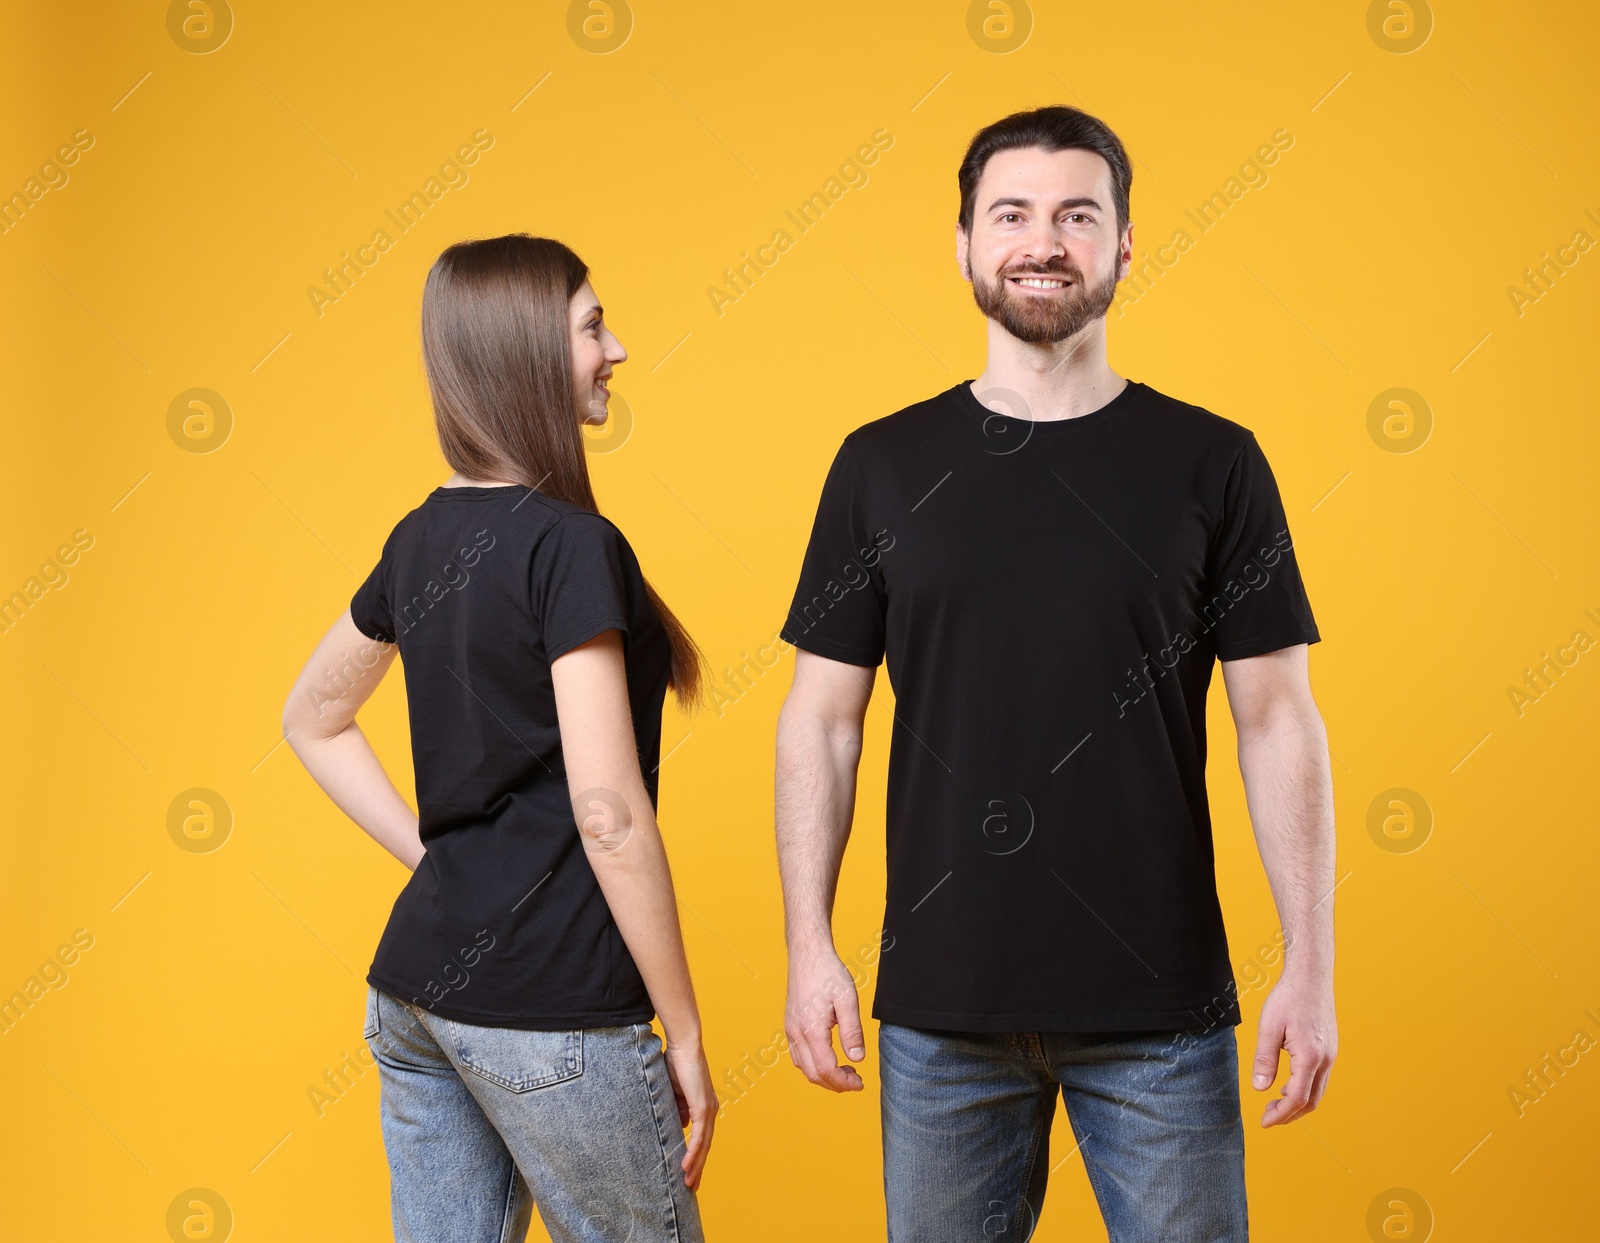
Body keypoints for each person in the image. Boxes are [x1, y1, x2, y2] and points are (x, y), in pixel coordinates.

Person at [774, 106, 1336, 1241]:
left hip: (1161, 1008)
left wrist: (1311, 965)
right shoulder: (877, 465)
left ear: (1125, 244)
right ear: (964, 243)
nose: (1045, 241)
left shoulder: (1214, 462)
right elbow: (821, 725)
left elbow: (1276, 720)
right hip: (941, 1010)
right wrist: (807, 944)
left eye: (1077, 215)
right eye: (1013, 215)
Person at [283, 234, 715, 1243]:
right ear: (525, 353)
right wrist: (686, 1033)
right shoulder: (571, 547)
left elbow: (312, 719)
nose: (616, 350)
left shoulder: (419, 536)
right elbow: (607, 815)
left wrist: (443, 867)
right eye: (592, 326)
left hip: (416, 993)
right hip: (552, 1008)